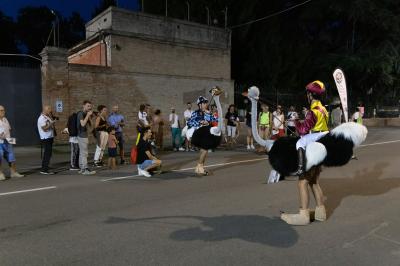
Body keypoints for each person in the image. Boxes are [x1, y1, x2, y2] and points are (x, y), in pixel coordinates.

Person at [281, 80, 329, 226]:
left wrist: (295, 122)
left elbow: (302, 130)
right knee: (314, 181)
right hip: (323, 142)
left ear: (310, 95)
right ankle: (320, 212)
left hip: (314, 144)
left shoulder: (312, 111)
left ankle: (303, 215)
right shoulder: (323, 109)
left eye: (307, 93)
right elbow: (313, 125)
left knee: (303, 182)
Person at [0, 105, 24, 181]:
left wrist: (11, 140)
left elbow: (9, 130)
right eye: (1, 110)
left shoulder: (5, 119)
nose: (3, 112)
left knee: (11, 157)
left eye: (3, 110)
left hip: (7, 142)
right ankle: (0, 174)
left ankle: (13, 173)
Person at [77, 100, 96, 175]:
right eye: (88, 106)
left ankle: (82, 168)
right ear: (83, 106)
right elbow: (82, 124)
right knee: (84, 153)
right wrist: (88, 115)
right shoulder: (80, 114)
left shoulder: (85, 114)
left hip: (84, 135)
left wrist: (90, 117)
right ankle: (85, 169)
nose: (89, 108)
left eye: (90, 106)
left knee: (82, 153)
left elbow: (92, 126)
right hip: (82, 136)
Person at [37, 105, 56, 175]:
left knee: (49, 153)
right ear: (45, 110)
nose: (50, 111)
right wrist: (51, 123)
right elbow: (44, 128)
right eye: (49, 109)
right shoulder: (41, 118)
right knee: (47, 154)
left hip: (50, 137)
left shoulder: (46, 117)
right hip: (45, 138)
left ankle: (46, 166)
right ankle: (44, 169)